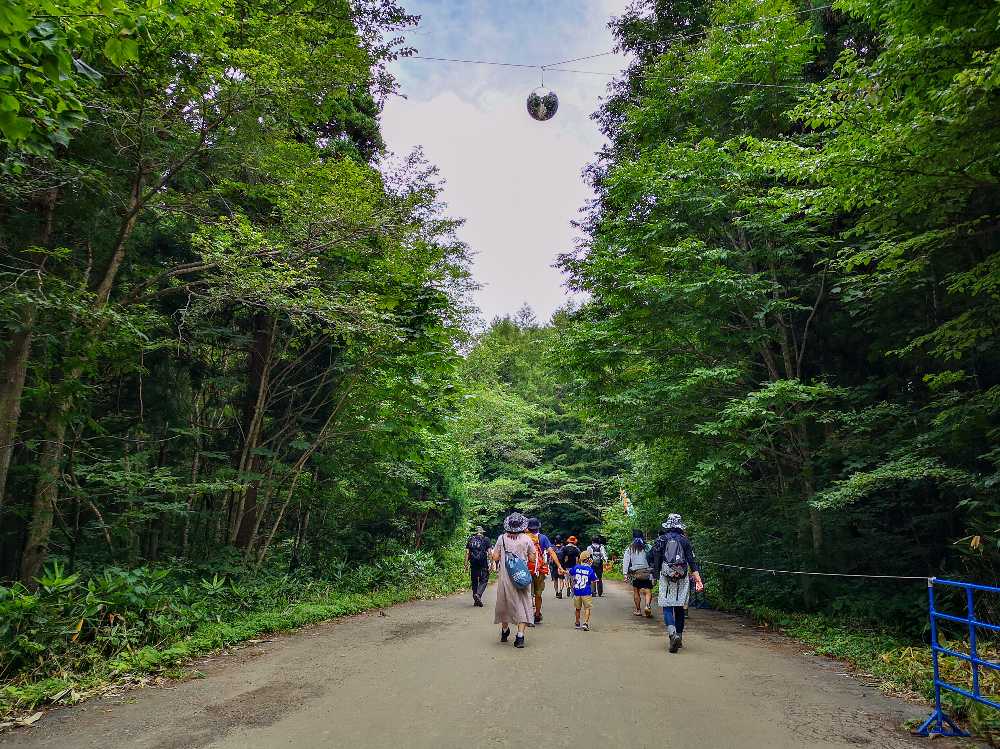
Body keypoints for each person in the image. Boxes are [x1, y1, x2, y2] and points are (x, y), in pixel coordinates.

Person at [650, 514, 703, 653]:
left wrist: (654, 577)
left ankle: (672, 633)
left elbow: (654, 560)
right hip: (682, 577)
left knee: (667, 607)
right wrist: (698, 578)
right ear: (680, 525)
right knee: (679, 607)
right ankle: (679, 636)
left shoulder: (661, 539)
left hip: (666, 577)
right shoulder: (685, 541)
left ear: (668, 525)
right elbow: (692, 561)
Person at [491, 512, 537, 648]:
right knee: (523, 604)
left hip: (506, 577)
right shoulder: (527, 539)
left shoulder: (502, 538)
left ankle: (505, 631)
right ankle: (520, 637)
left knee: (504, 603)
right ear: (522, 526)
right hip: (521, 577)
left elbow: (495, 557)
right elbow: (533, 559)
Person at [526, 518, 564, 624]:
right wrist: (559, 566)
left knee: (528, 594)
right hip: (539, 569)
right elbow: (551, 552)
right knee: (538, 594)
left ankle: (528, 616)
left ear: (527, 527)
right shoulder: (543, 538)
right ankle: (537, 613)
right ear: (538, 527)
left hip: (526, 569)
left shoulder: (524, 538)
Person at [622, 529, 653, 618]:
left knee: (636, 591)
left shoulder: (630, 548)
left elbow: (626, 561)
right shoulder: (648, 546)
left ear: (633, 537)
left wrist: (625, 574)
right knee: (648, 590)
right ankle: (647, 606)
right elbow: (653, 558)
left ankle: (638, 610)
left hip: (636, 572)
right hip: (647, 571)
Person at [569, 550, 599, 631]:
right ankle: (585, 623)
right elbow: (595, 579)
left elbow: (570, 572)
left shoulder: (576, 567)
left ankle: (577, 622)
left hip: (577, 591)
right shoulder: (590, 570)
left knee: (577, 608)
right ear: (588, 559)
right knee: (587, 608)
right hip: (586, 592)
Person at [465, 525, 492, 607]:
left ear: (475, 532)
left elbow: (467, 552)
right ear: (482, 532)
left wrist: (465, 564)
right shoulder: (486, 539)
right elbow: (490, 552)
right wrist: (491, 562)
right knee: (484, 579)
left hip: (473, 563)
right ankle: (478, 595)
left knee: (474, 580)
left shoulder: (470, 540)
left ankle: (475, 598)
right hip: (483, 563)